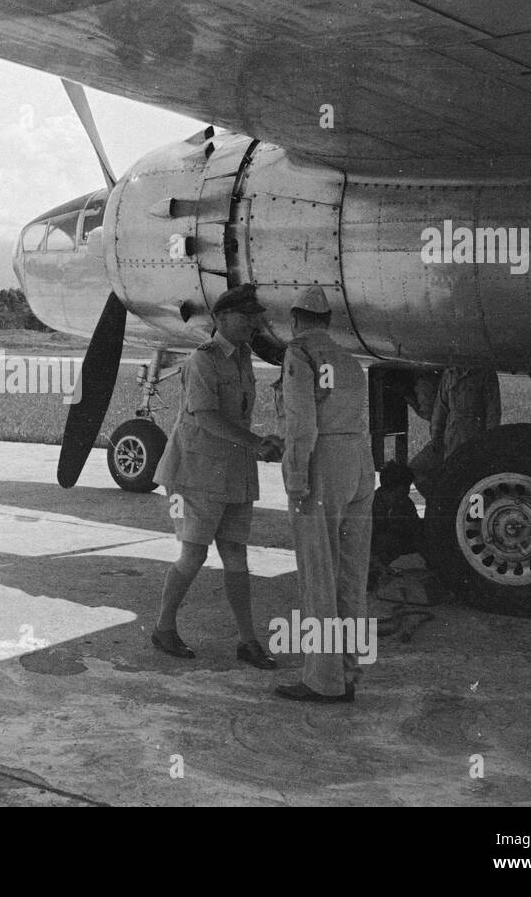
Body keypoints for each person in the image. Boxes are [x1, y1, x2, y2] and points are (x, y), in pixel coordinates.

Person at [149, 284, 284, 668]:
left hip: (233, 469)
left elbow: (235, 415)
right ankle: (163, 628)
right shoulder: (203, 360)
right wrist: (256, 442)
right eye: (246, 317)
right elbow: (205, 416)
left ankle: (248, 641)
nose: (253, 324)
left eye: (255, 317)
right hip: (198, 470)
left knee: (236, 555)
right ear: (223, 318)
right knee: (193, 553)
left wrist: (259, 442)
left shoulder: (242, 355)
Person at [276, 286, 374, 703]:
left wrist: (296, 480)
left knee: (319, 573)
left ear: (296, 320)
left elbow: (302, 426)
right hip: (359, 461)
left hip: (324, 461)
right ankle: (348, 670)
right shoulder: (350, 360)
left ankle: (322, 679)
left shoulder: (300, 354)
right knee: (352, 575)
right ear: (329, 322)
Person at [368, 461, 423, 590]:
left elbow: (416, 531)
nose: (408, 492)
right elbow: (363, 543)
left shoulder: (405, 504)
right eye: (405, 488)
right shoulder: (371, 506)